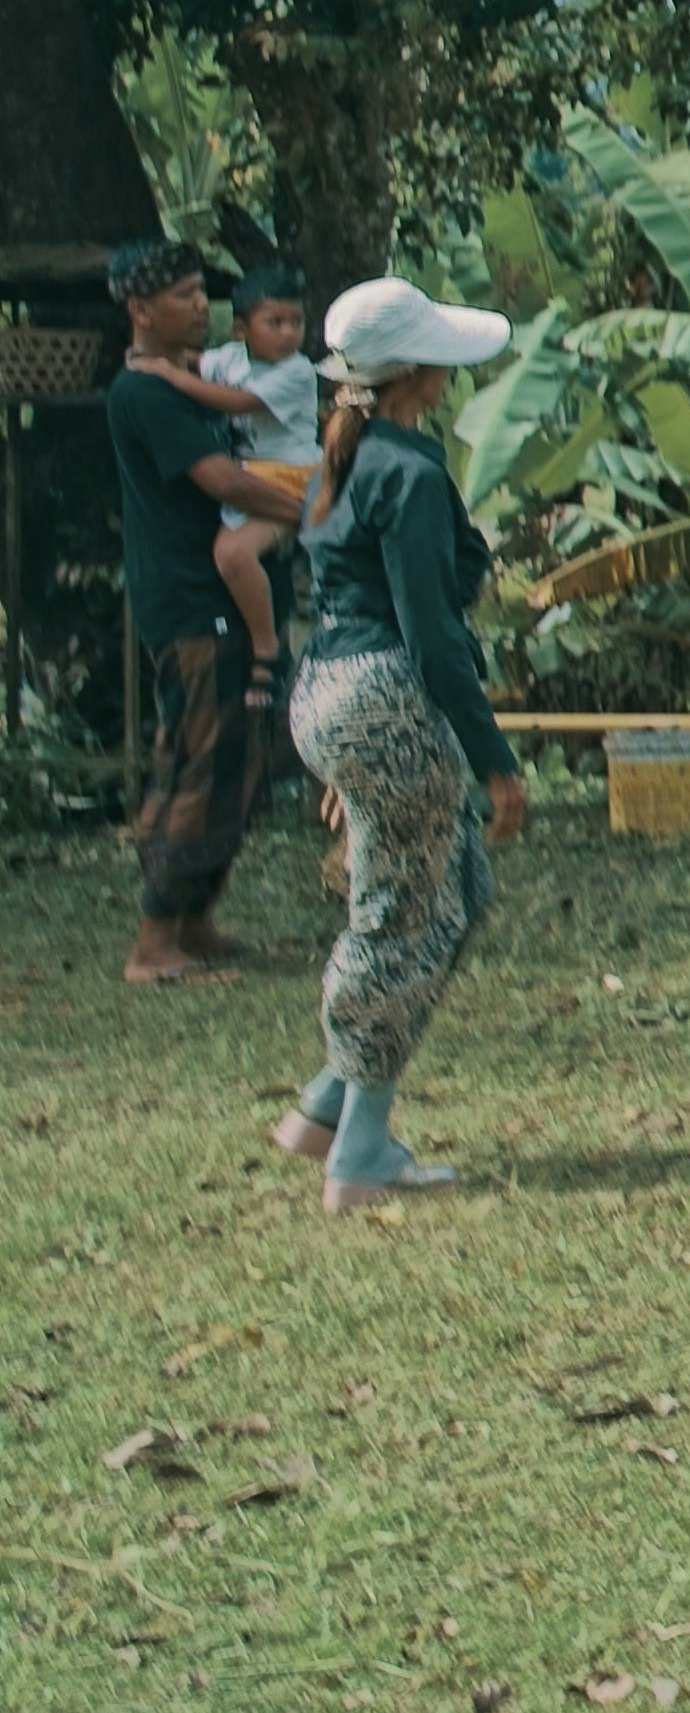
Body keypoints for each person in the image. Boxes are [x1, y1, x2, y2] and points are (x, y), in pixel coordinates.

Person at [266, 276, 527, 1210]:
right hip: (386, 693)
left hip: (330, 691)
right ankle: (362, 1153)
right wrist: (496, 762)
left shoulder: (343, 463)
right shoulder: (408, 475)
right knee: (401, 915)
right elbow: (431, 635)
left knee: (457, 888)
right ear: (421, 371)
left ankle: (329, 1104)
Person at [102, 241, 290, 987]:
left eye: (198, 293)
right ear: (140, 311)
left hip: (215, 601)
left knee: (237, 754)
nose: (197, 305)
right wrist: (317, 508)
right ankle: (154, 945)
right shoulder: (144, 394)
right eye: (179, 295)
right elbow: (223, 482)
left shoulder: (192, 383)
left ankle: (195, 922)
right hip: (190, 601)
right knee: (201, 762)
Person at [169, 266, 321, 665]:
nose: (288, 332)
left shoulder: (298, 371)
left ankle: (266, 647)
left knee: (233, 554)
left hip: (291, 479)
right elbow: (197, 364)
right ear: (241, 329)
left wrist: (167, 374)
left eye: (296, 321)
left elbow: (237, 403)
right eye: (275, 322)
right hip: (253, 476)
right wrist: (166, 359)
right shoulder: (231, 359)